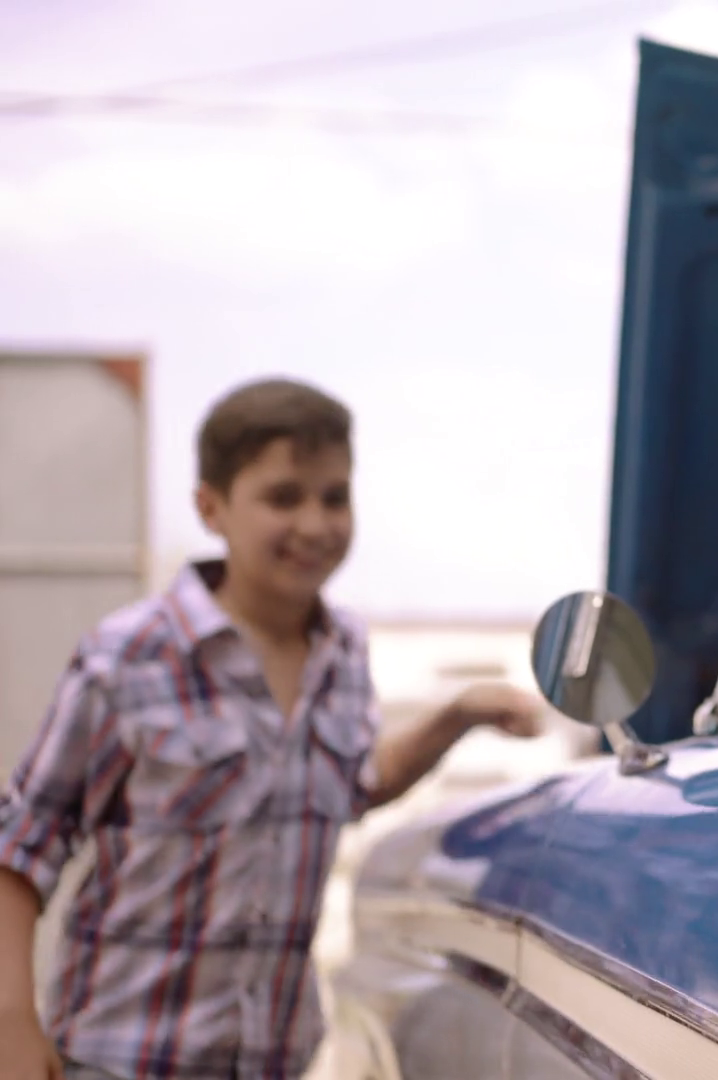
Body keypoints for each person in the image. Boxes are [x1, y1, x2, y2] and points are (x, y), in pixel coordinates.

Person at [0, 379, 547, 1080]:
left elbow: (354, 782)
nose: (316, 524)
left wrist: (458, 715)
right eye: (284, 497)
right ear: (212, 507)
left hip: (274, 1061)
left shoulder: (343, 652)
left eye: (334, 497)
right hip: (123, 1059)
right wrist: (12, 1019)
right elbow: (21, 847)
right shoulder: (130, 656)